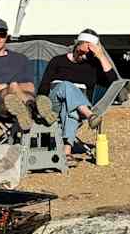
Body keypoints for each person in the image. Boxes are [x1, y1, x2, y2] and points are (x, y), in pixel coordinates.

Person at [39, 29, 116, 158]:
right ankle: (90, 115)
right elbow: (44, 85)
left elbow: (113, 82)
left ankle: (66, 152)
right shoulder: (58, 61)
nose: (85, 55)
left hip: (76, 106)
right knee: (67, 85)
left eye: (89, 53)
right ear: (77, 45)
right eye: (82, 51)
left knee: (71, 109)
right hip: (53, 106)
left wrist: (101, 56)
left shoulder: (93, 65)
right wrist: (41, 106)